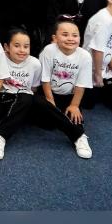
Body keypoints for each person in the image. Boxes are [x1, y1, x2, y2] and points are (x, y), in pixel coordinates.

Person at [0, 27, 91, 160]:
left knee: (32, 99)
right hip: (4, 98)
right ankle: (2, 129)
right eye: (17, 46)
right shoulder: (0, 58)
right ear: (6, 47)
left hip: (25, 100)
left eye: (26, 46)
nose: (22, 50)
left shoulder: (35, 64)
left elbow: (34, 88)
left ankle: (78, 135)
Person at [38, 18, 93, 158]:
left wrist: (74, 105)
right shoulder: (49, 50)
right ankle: (66, 124)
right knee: (46, 120)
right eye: (65, 34)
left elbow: (81, 85)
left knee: (74, 116)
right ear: (55, 38)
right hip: (48, 92)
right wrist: (50, 100)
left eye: (75, 35)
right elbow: (45, 79)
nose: (70, 38)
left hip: (70, 96)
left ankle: (79, 136)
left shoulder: (85, 56)